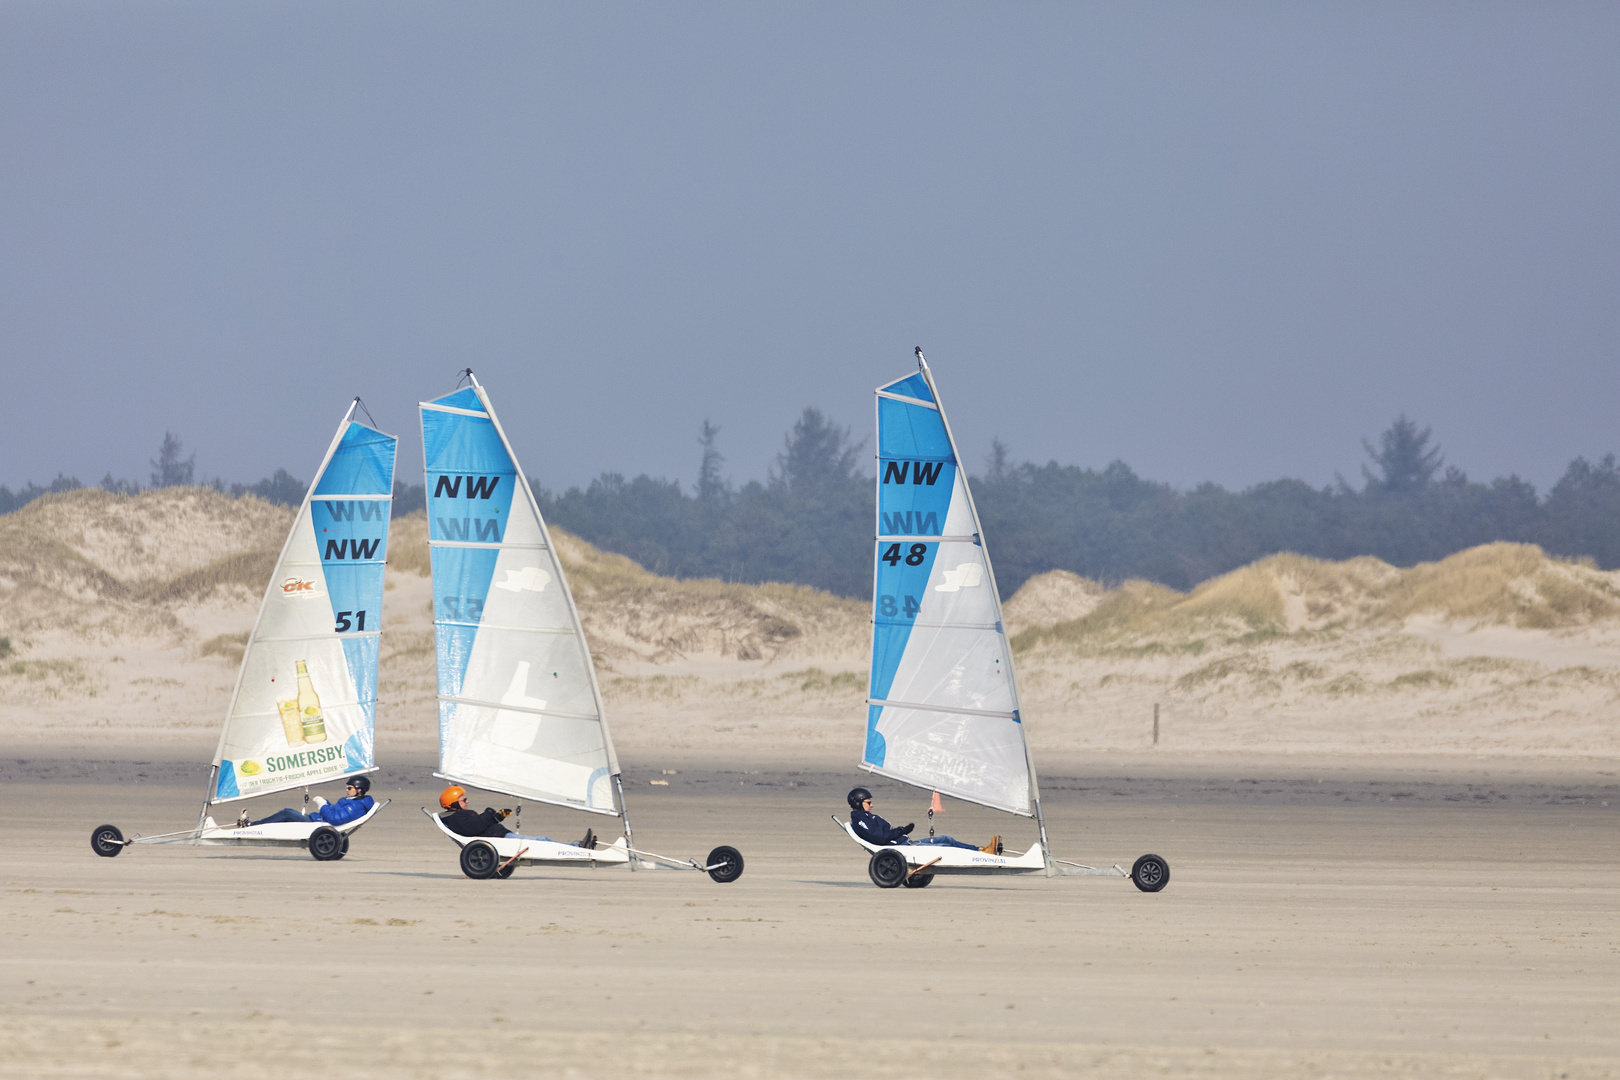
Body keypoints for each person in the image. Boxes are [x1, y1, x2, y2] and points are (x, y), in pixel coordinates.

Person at [846, 787, 1001, 854]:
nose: (872, 805)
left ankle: (980, 850)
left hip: (905, 843)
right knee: (944, 846)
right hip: (903, 848)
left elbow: (883, 832)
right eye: (868, 802)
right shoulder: (860, 821)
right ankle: (983, 853)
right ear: (858, 803)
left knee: (946, 839)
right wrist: (900, 831)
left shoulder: (866, 817)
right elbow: (879, 837)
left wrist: (901, 830)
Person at [437, 785, 596, 849]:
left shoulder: (459, 816)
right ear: (454, 803)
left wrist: (498, 816)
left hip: (499, 836)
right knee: (542, 841)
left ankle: (578, 847)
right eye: (463, 800)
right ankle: (578, 848)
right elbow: (476, 827)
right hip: (501, 839)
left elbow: (480, 825)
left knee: (542, 840)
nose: (467, 801)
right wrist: (488, 813)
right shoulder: (458, 818)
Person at [239, 776, 376, 827]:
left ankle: (251, 826)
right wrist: (326, 803)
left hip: (316, 823)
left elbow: (335, 819)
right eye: (347, 787)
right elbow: (335, 812)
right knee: (286, 817)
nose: (347, 790)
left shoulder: (356, 806)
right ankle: (254, 825)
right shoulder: (354, 802)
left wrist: (322, 805)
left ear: (359, 790)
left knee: (287, 813)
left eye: (350, 788)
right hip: (317, 820)